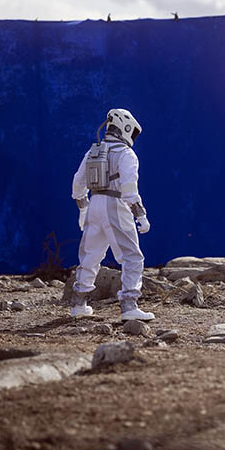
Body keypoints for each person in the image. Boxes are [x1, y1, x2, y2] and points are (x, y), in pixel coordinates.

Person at [69, 108, 154, 321]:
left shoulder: (92, 152)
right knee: (132, 257)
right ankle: (129, 305)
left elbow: (78, 183)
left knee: (90, 255)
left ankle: (79, 302)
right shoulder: (126, 154)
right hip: (116, 204)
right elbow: (129, 189)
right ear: (125, 127)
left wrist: (83, 208)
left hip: (94, 204)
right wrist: (140, 214)